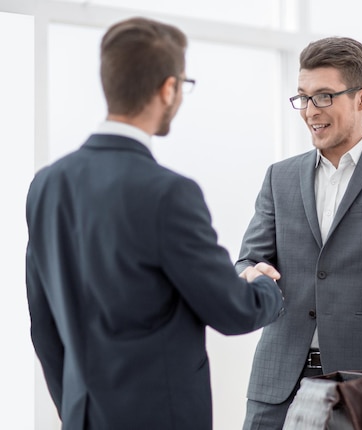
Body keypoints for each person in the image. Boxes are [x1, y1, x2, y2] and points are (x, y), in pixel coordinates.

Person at [25, 17, 283, 430]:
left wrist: (78, 411)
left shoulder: (47, 185)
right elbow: (233, 312)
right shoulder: (168, 193)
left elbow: (44, 325)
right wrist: (265, 284)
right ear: (168, 89)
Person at [236, 36, 362, 429]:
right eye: (303, 97)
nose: (310, 110)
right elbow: (249, 260)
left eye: (324, 96)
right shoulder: (279, 177)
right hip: (275, 384)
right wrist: (247, 275)